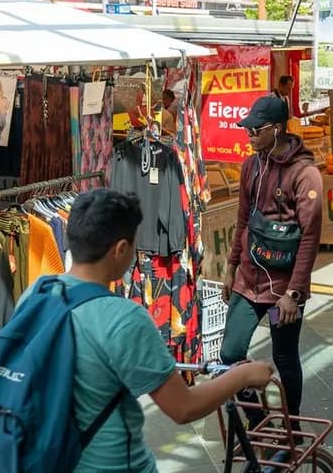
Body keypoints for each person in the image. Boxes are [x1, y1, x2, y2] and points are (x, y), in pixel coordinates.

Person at [53, 189, 274, 471]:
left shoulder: (39, 293)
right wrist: (243, 375)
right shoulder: (125, 318)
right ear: (120, 249)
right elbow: (183, 407)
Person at [223, 95, 323, 420]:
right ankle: (258, 422)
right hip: (247, 280)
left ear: (277, 129)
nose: (249, 135)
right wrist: (231, 267)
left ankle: (291, 425)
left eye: (256, 130)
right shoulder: (250, 166)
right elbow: (242, 220)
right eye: (247, 130)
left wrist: (294, 293)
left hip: (284, 288)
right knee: (230, 354)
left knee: (284, 357)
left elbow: (310, 237)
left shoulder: (305, 174)